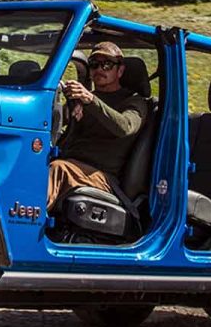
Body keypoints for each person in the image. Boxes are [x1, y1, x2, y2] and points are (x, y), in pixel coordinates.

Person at [47, 42, 149, 211]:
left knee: (58, 169)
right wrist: (71, 104)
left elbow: (125, 127)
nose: (99, 69)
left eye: (107, 64)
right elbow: (57, 124)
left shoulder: (135, 102)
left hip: (103, 176)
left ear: (120, 71)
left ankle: (18, 229)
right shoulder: (87, 99)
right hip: (73, 164)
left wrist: (91, 101)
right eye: (94, 64)